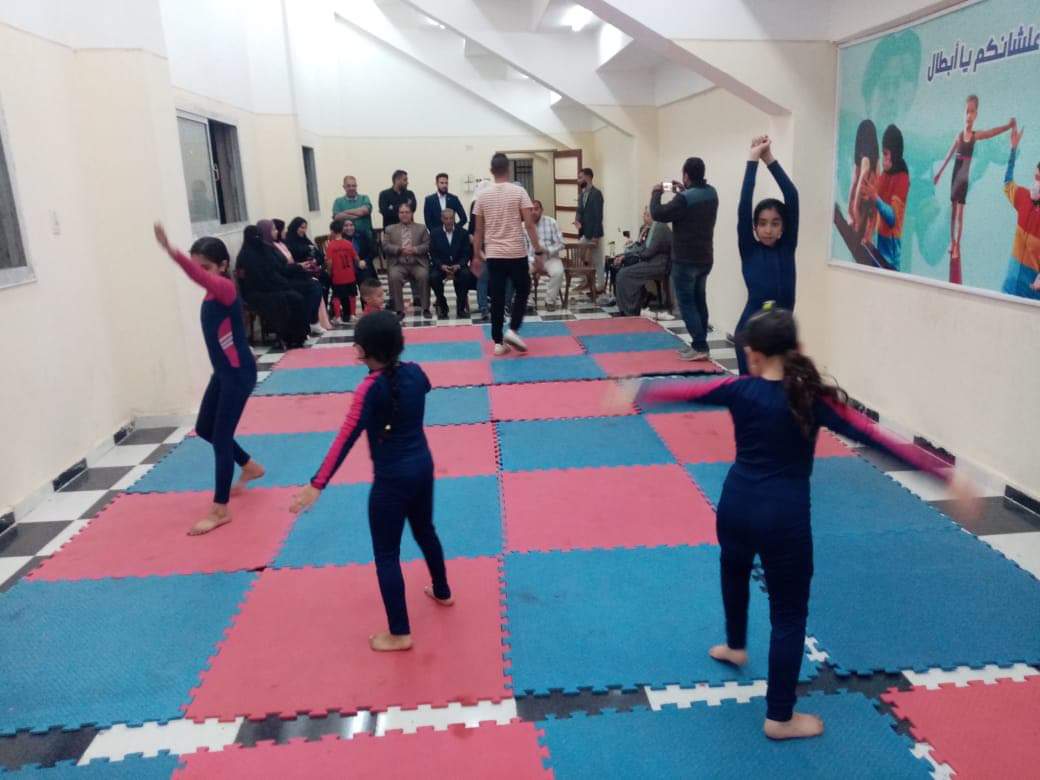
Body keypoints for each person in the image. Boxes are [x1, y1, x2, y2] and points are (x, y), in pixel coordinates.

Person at [628, 306, 978, 741]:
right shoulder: (810, 399)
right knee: (788, 615)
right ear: (796, 349)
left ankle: (735, 645)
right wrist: (944, 474)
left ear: (754, 355)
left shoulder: (740, 389)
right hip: (783, 518)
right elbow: (875, 437)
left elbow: (689, 392)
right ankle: (779, 717)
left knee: (734, 571)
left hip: (736, 505)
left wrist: (639, 388)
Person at [290, 312, 453, 653]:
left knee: (386, 553)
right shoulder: (416, 372)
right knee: (426, 531)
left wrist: (317, 484)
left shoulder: (369, 389)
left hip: (391, 482)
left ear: (361, 351)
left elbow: (346, 437)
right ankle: (442, 591)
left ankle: (400, 633)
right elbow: (423, 387)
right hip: (422, 469)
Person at [153, 224, 265, 535]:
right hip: (225, 372)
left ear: (223, 266)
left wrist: (171, 251)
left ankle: (220, 509)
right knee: (205, 429)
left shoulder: (225, 288)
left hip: (237, 374)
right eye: (197, 266)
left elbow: (197, 277)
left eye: (206, 267)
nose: (200, 273)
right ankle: (250, 466)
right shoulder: (213, 292)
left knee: (222, 438)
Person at [735, 136, 800, 376]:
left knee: (781, 387)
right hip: (750, 334)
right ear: (754, 227)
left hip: (781, 334)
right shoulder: (749, 249)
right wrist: (752, 159)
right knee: (752, 389)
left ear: (783, 226)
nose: (768, 229)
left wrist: (769, 158)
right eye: (762, 223)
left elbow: (791, 195)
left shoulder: (787, 246)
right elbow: (745, 204)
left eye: (775, 223)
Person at [933, 96, 1015, 283]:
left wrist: (1008, 126)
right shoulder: (959, 136)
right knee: (953, 210)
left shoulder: (975, 136)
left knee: (960, 212)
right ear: (964, 113)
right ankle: (952, 241)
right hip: (955, 176)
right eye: (966, 111)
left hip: (963, 177)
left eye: (972, 112)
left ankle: (957, 244)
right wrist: (939, 173)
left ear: (976, 114)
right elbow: (949, 155)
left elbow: (992, 133)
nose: (969, 115)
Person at [472, 153, 544, 356]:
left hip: (494, 254)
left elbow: (478, 230)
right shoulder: (519, 191)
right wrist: (538, 251)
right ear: (508, 169)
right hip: (516, 252)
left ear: (491, 171)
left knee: (497, 296)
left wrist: (476, 255)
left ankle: (497, 343)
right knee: (523, 289)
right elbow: (529, 225)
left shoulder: (482, 196)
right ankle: (512, 330)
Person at [650, 156, 719, 361]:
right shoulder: (712, 193)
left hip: (685, 260)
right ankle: (701, 344)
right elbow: (692, 208)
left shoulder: (684, 199)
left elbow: (658, 213)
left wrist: (656, 192)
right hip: (705, 258)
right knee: (700, 300)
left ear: (686, 175)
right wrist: (683, 191)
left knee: (687, 303)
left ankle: (699, 346)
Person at [235, 225, 310, 348]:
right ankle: (284, 337)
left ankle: (298, 336)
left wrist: (281, 284)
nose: (257, 239)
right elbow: (249, 281)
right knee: (282, 300)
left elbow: (273, 271)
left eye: (258, 236)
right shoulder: (244, 256)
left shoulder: (264, 250)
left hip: (271, 287)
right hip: (255, 292)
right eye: (254, 237)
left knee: (296, 297)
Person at [257, 219, 327, 336]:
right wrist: (299, 266)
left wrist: (304, 265)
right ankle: (307, 323)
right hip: (281, 282)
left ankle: (313, 321)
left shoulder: (277, 245)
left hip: (290, 276)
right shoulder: (267, 249)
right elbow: (279, 269)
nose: (281, 231)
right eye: (274, 229)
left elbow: (317, 255)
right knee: (311, 289)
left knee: (318, 283)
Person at [860, 124, 909, 271]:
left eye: (886, 154)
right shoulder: (885, 175)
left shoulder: (902, 177)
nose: (884, 159)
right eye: (883, 154)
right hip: (880, 241)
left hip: (892, 250)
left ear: (895, 153)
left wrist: (874, 196)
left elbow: (892, 218)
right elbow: (874, 203)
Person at [1000, 124, 1040, 300]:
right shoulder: (1024, 197)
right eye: (1035, 177)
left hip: (1032, 296)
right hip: (1008, 289)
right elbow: (1007, 182)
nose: (1036, 182)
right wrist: (1013, 150)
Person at [612, 209, 673, 316]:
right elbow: (643, 248)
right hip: (650, 261)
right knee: (621, 270)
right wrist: (626, 256)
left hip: (658, 264)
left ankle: (630, 309)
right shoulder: (652, 227)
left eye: (646, 214)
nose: (644, 217)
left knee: (624, 274)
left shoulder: (660, 228)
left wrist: (632, 257)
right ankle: (627, 306)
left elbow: (648, 252)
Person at [383, 203, 431, 319]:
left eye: (407, 212)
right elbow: (385, 246)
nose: (404, 215)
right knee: (394, 277)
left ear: (412, 213)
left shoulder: (421, 228)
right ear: (398, 214)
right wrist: (399, 249)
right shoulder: (390, 229)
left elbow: (427, 245)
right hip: (399, 264)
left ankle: (425, 308)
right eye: (402, 212)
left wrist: (415, 249)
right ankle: (399, 310)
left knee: (424, 275)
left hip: (417, 263)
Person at [429, 208, 475, 319]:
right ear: (442, 219)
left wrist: (459, 265)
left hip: (458, 265)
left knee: (466, 275)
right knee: (433, 277)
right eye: (446, 218)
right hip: (441, 266)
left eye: (451, 218)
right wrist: (441, 265)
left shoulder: (463, 233)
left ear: (454, 219)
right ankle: (443, 306)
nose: (449, 221)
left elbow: (467, 253)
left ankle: (461, 308)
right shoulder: (434, 233)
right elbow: (433, 254)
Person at [284, 216, 332, 319]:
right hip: (299, 272)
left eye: (305, 228)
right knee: (316, 283)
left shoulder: (305, 240)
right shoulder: (288, 242)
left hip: (313, 269)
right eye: (301, 227)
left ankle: (323, 313)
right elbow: (292, 260)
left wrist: (315, 261)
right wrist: (305, 260)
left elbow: (320, 256)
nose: (303, 230)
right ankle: (313, 316)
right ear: (295, 227)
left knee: (326, 278)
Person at [524, 200, 566, 311]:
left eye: (536, 209)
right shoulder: (524, 226)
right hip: (532, 259)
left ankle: (549, 301)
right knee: (519, 271)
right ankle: (528, 302)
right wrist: (533, 259)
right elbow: (523, 249)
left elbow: (561, 244)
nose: (533, 212)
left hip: (550, 258)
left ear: (541, 210)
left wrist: (547, 250)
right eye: (531, 209)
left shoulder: (551, 222)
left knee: (558, 272)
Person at [574, 167, 605, 298]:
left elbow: (599, 216)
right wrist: (577, 220)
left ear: (588, 177)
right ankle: (586, 280)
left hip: (594, 234)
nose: (578, 180)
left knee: (597, 261)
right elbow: (579, 210)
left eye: (580, 177)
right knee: (577, 253)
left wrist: (596, 237)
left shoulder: (597, 194)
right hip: (585, 233)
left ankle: (600, 287)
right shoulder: (582, 194)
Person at [325, 219, 359, 324]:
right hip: (350, 275)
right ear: (342, 230)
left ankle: (338, 317)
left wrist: (329, 272)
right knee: (352, 295)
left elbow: (329, 262)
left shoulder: (331, 245)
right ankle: (353, 315)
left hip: (338, 276)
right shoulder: (348, 243)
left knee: (336, 296)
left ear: (332, 231)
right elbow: (356, 257)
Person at [344, 219, 377, 283]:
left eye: (351, 225)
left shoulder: (362, 235)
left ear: (354, 226)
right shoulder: (341, 239)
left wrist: (365, 261)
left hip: (363, 265)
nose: (349, 228)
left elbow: (373, 251)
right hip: (348, 268)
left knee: (366, 279)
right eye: (346, 226)